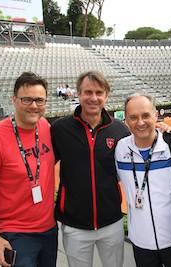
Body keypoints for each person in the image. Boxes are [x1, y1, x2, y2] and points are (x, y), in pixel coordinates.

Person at [0, 72, 57, 267]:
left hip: (48, 230)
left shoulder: (44, 126)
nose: (34, 106)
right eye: (27, 99)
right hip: (15, 234)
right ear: (14, 100)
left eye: (39, 100)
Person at [51, 71, 130, 267]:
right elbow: (42, 165)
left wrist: (161, 131)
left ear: (106, 95)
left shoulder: (120, 130)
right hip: (74, 225)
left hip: (112, 222)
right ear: (77, 94)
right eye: (88, 92)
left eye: (99, 92)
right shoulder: (60, 129)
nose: (93, 98)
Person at [115, 93, 171, 267]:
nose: (140, 122)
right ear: (126, 121)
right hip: (140, 242)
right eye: (133, 117)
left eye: (146, 115)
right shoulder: (120, 149)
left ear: (156, 115)